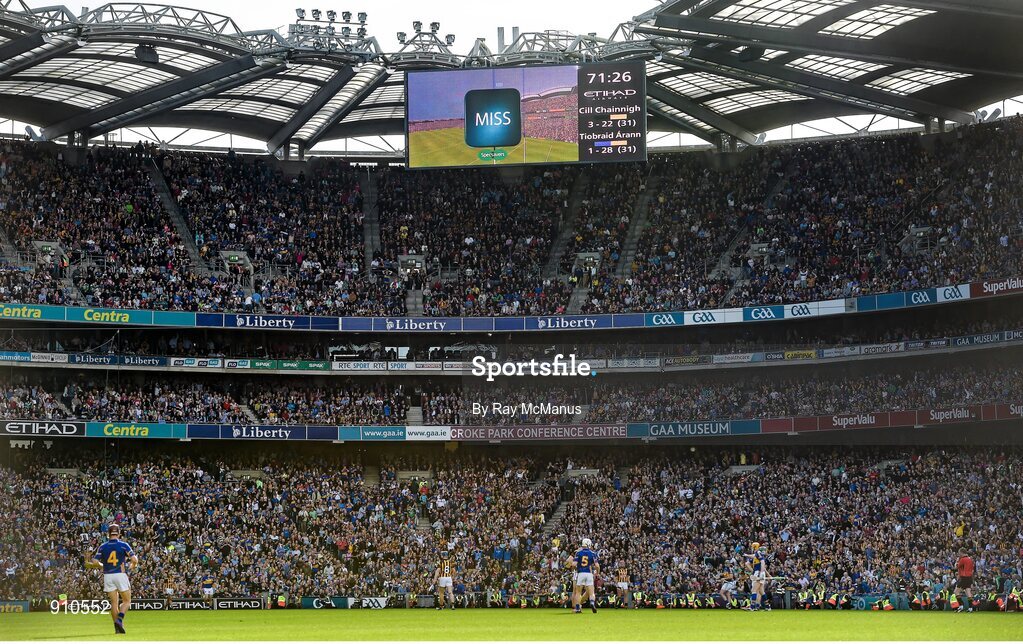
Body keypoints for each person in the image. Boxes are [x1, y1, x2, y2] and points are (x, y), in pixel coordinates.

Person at [86, 525, 138, 635]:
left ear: (108, 534)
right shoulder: (123, 545)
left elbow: (95, 562)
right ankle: (120, 619)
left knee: (114, 603)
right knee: (127, 601)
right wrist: (132, 566)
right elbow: (134, 559)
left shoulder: (103, 546)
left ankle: (117, 628)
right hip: (120, 574)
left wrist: (103, 566)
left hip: (108, 576)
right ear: (118, 533)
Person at [567, 538, 599, 614]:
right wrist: (597, 572)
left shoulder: (578, 553)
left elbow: (574, 564)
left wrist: (575, 569)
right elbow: (597, 565)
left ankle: (577, 608)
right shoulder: (593, 553)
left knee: (578, 592)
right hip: (589, 573)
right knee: (591, 592)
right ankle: (591, 602)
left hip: (581, 573)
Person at [745, 542, 769, 611]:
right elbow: (753, 556)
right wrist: (747, 555)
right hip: (759, 572)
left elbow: (762, 562)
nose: (752, 548)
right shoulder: (757, 553)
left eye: (752, 546)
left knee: (754, 590)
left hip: (758, 572)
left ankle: (752, 607)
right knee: (761, 591)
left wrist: (761, 573)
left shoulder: (758, 553)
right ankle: (767, 606)